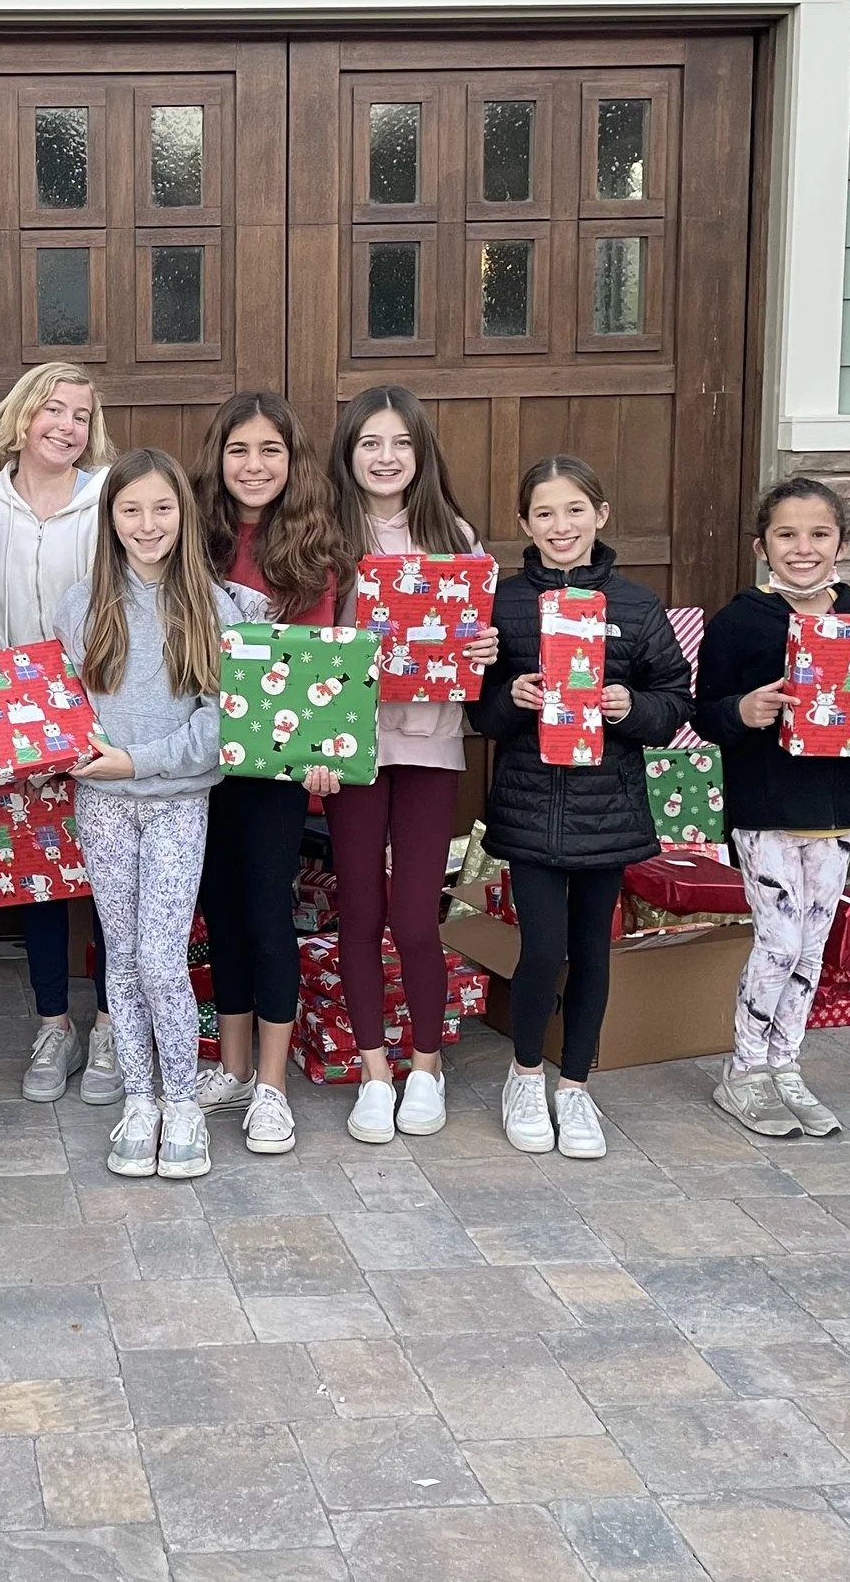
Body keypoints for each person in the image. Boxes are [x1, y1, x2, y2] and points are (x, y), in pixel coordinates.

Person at [472, 457, 692, 1161]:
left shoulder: (635, 604)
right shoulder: (505, 603)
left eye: (573, 510)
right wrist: (515, 699)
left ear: (599, 514)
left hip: (609, 807)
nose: (559, 526)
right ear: (523, 525)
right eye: (543, 513)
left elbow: (675, 700)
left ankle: (577, 1083)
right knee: (543, 947)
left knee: (593, 949)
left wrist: (634, 708)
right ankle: (526, 1073)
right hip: (531, 806)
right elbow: (480, 710)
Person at [55, 450, 261, 1181]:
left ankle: (180, 1101)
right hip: (103, 808)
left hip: (177, 805)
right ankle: (137, 1099)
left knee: (162, 959)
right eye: (131, 510)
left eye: (162, 509)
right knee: (123, 955)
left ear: (185, 514)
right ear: (109, 518)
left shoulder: (215, 605)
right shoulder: (80, 604)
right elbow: (65, 712)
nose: (147, 524)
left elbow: (223, 727)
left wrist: (136, 761)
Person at [695, 479, 850, 1140]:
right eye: (787, 534)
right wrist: (743, 711)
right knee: (778, 940)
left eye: (818, 534)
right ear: (762, 546)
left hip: (837, 807)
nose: (803, 547)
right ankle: (744, 1070)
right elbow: (706, 714)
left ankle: (786, 1065)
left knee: (812, 947)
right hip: (765, 809)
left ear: (842, 542)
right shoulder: (738, 621)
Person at [325, 386, 497, 1144]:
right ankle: (374, 1071)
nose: (385, 457)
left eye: (399, 442)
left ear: (421, 453)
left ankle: (425, 1066)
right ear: (348, 452)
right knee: (359, 912)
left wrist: (485, 651)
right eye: (370, 442)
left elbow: (476, 643)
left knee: (415, 916)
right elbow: (307, 646)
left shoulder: (454, 535)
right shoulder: (324, 534)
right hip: (354, 750)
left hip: (430, 744)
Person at [0, 360, 119, 1106]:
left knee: (115, 879)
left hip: (105, 720)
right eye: (52, 410)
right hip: (17, 723)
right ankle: (56, 1024)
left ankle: (113, 1025)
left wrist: (98, 705)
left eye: (80, 415)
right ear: (22, 417)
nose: (66, 426)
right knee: (41, 880)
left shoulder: (112, 497)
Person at [190, 391, 350, 1159]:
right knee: (218, 910)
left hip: (277, 764)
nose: (254, 466)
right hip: (196, 755)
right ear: (218, 458)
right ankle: (231, 1065)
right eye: (240, 451)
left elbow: (321, 667)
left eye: (270, 452)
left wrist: (319, 751)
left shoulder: (312, 550)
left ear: (293, 463)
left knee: (265, 911)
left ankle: (273, 1088)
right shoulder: (194, 535)